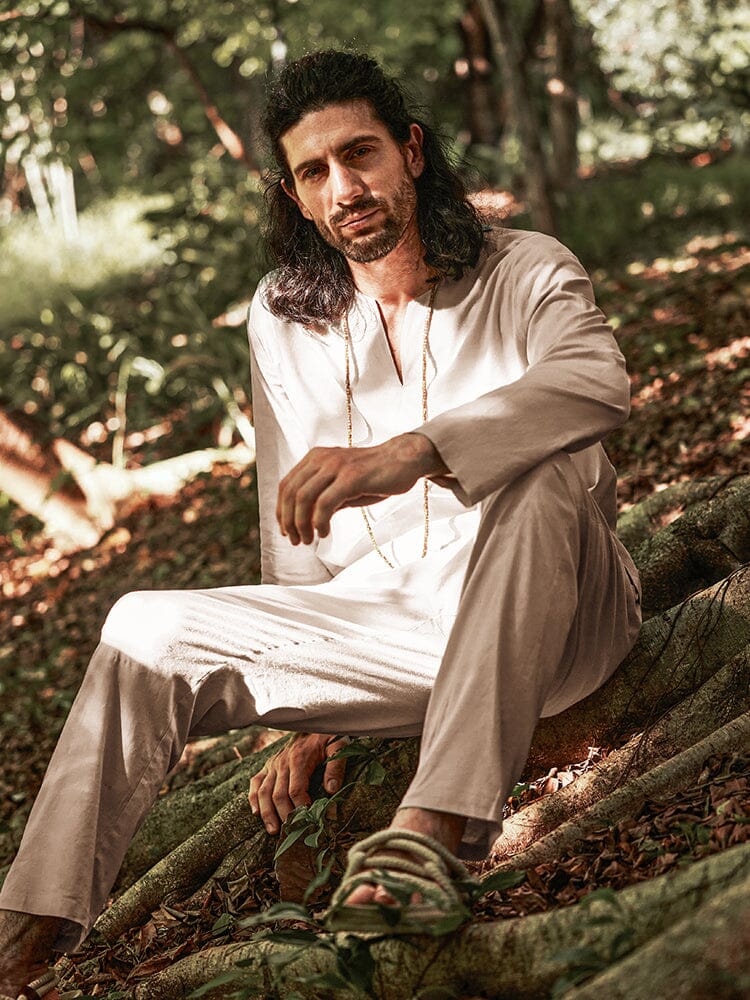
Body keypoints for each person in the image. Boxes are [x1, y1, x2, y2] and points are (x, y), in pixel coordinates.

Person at [0, 49, 642, 994]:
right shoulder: (282, 317)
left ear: (411, 152)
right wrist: (308, 711)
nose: (345, 188)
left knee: (540, 475)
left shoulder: (526, 268)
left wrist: (411, 451)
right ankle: (26, 933)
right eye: (314, 172)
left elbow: (596, 383)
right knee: (142, 627)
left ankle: (429, 840)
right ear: (296, 197)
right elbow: (290, 525)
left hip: (567, 619)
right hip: (398, 632)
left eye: (361, 154)